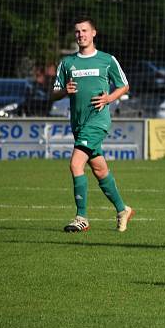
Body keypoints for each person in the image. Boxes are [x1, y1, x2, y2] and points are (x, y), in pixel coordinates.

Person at [52, 16, 134, 233]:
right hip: (78, 123)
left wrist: (109, 98)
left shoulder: (107, 60)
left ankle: (81, 217)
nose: (81, 35)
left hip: (98, 121)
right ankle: (122, 209)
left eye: (85, 31)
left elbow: (124, 86)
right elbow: (52, 94)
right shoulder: (67, 63)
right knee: (99, 169)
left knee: (75, 164)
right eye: (77, 31)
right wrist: (63, 92)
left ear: (93, 33)